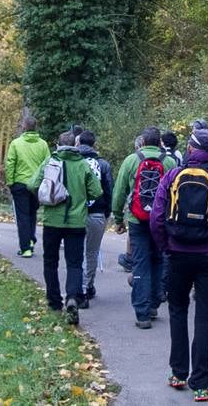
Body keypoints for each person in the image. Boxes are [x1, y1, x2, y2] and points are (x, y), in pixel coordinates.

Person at [151, 128, 208, 403]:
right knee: (205, 317)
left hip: (178, 253)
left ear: (190, 150)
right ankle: (201, 384)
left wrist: (165, 246)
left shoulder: (172, 177)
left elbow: (157, 217)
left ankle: (178, 373)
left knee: (178, 311)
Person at [29, 131, 102, 325]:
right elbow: (97, 191)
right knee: (75, 263)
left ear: (57, 145)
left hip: (52, 221)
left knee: (50, 261)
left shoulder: (49, 162)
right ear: (75, 146)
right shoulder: (83, 165)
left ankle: (54, 302)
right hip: (77, 222)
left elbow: (32, 184)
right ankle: (72, 298)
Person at [113, 127, 178, 329]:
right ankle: (153, 304)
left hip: (137, 219)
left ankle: (142, 313)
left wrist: (117, 218)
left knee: (140, 263)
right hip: (161, 221)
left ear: (142, 142)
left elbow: (119, 191)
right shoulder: (169, 162)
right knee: (158, 260)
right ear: (160, 143)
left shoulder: (132, 160)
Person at [75, 130, 114, 305]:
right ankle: (86, 287)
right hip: (97, 213)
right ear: (94, 145)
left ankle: (76, 288)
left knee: (75, 252)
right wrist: (108, 212)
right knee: (91, 252)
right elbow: (109, 190)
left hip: (75, 214)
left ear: (78, 144)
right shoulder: (103, 165)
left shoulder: (72, 162)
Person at [5, 116, 51, 258]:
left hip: (20, 184)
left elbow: (10, 163)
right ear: (35, 127)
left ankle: (26, 248)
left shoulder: (16, 144)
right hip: (36, 186)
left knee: (22, 216)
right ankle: (31, 239)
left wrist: (10, 182)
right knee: (32, 214)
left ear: (24, 127)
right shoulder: (43, 145)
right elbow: (48, 164)